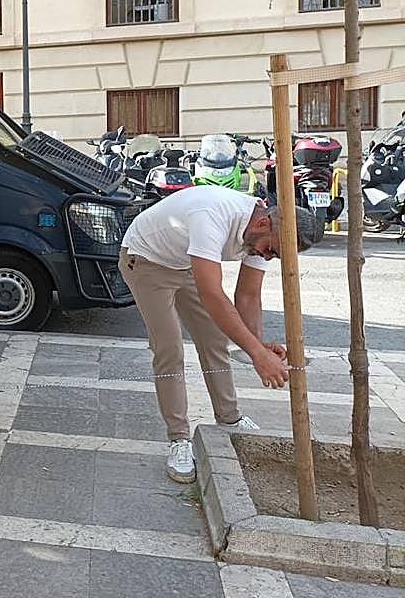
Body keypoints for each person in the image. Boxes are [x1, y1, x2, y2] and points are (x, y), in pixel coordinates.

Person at [119, 185, 323, 483]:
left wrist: (259, 345)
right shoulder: (212, 214)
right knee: (169, 348)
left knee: (214, 340)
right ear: (263, 223)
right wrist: (257, 356)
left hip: (183, 262)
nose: (266, 257)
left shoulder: (262, 232)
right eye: (270, 250)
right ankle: (178, 439)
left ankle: (230, 418)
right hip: (146, 260)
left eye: (274, 256)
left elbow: (248, 296)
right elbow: (213, 294)